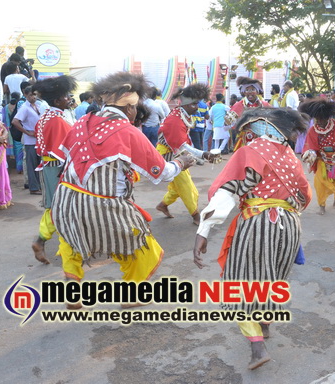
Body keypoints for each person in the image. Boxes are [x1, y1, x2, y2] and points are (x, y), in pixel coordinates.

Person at [51, 72, 194, 296]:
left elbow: (67, 157)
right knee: (143, 248)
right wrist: (181, 162)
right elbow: (163, 173)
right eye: (136, 108)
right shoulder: (127, 131)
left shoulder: (81, 122)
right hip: (104, 204)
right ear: (129, 108)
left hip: (65, 199)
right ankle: (132, 294)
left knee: (72, 240)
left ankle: (72, 285)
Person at [193, 108, 311, 370]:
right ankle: (265, 325)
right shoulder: (290, 155)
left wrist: (204, 230)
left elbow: (227, 191)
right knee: (273, 277)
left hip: (259, 221)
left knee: (241, 283)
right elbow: (304, 194)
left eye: (252, 126)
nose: (248, 131)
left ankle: (258, 347)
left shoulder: (252, 151)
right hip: (291, 224)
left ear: (266, 127)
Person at [155, 83, 218, 224]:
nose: (197, 107)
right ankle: (196, 216)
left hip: (177, 154)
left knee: (177, 187)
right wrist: (204, 154)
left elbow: (183, 144)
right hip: (169, 157)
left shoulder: (181, 114)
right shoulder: (175, 120)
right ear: (187, 104)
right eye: (195, 104)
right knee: (186, 186)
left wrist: (200, 155)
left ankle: (162, 205)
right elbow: (181, 146)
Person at [31, 76, 77, 264]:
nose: (69, 99)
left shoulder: (46, 117)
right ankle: (46, 241)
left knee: (59, 206)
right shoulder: (57, 120)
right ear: (58, 100)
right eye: (66, 96)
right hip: (59, 168)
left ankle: (62, 244)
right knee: (63, 207)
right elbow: (67, 149)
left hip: (50, 166)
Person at [300, 98, 335, 215]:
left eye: (322, 118)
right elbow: (310, 146)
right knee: (319, 184)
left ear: (329, 117)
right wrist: (310, 154)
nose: (319, 121)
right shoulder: (312, 130)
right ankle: (322, 206)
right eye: (317, 118)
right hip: (322, 161)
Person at [12, 86, 43, 194]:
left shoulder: (37, 105)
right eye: (31, 95)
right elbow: (15, 121)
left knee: (39, 164)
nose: (33, 97)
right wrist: (27, 132)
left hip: (38, 139)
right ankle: (34, 188)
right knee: (32, 164)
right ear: (25, 95)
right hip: (30, 140)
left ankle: (38, 186)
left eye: (35, 94)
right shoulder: (25, 107)